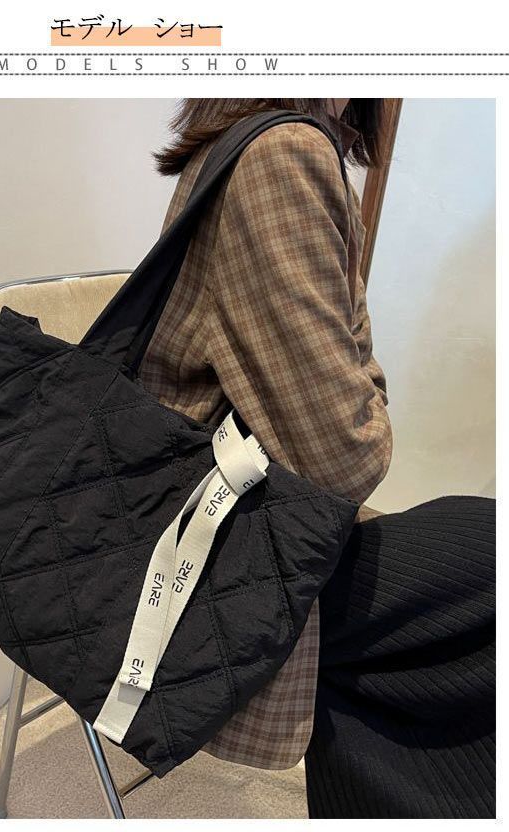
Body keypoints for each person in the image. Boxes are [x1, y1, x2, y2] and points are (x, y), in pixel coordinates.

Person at [139, 98, 495, 818]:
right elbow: (348, 454)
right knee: (486, 562)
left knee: (467, 559)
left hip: (226, 513)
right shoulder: (282, 156)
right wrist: (363, 399)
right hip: (199, 557)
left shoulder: (269, 145)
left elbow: (351, 393)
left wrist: (357, 393)